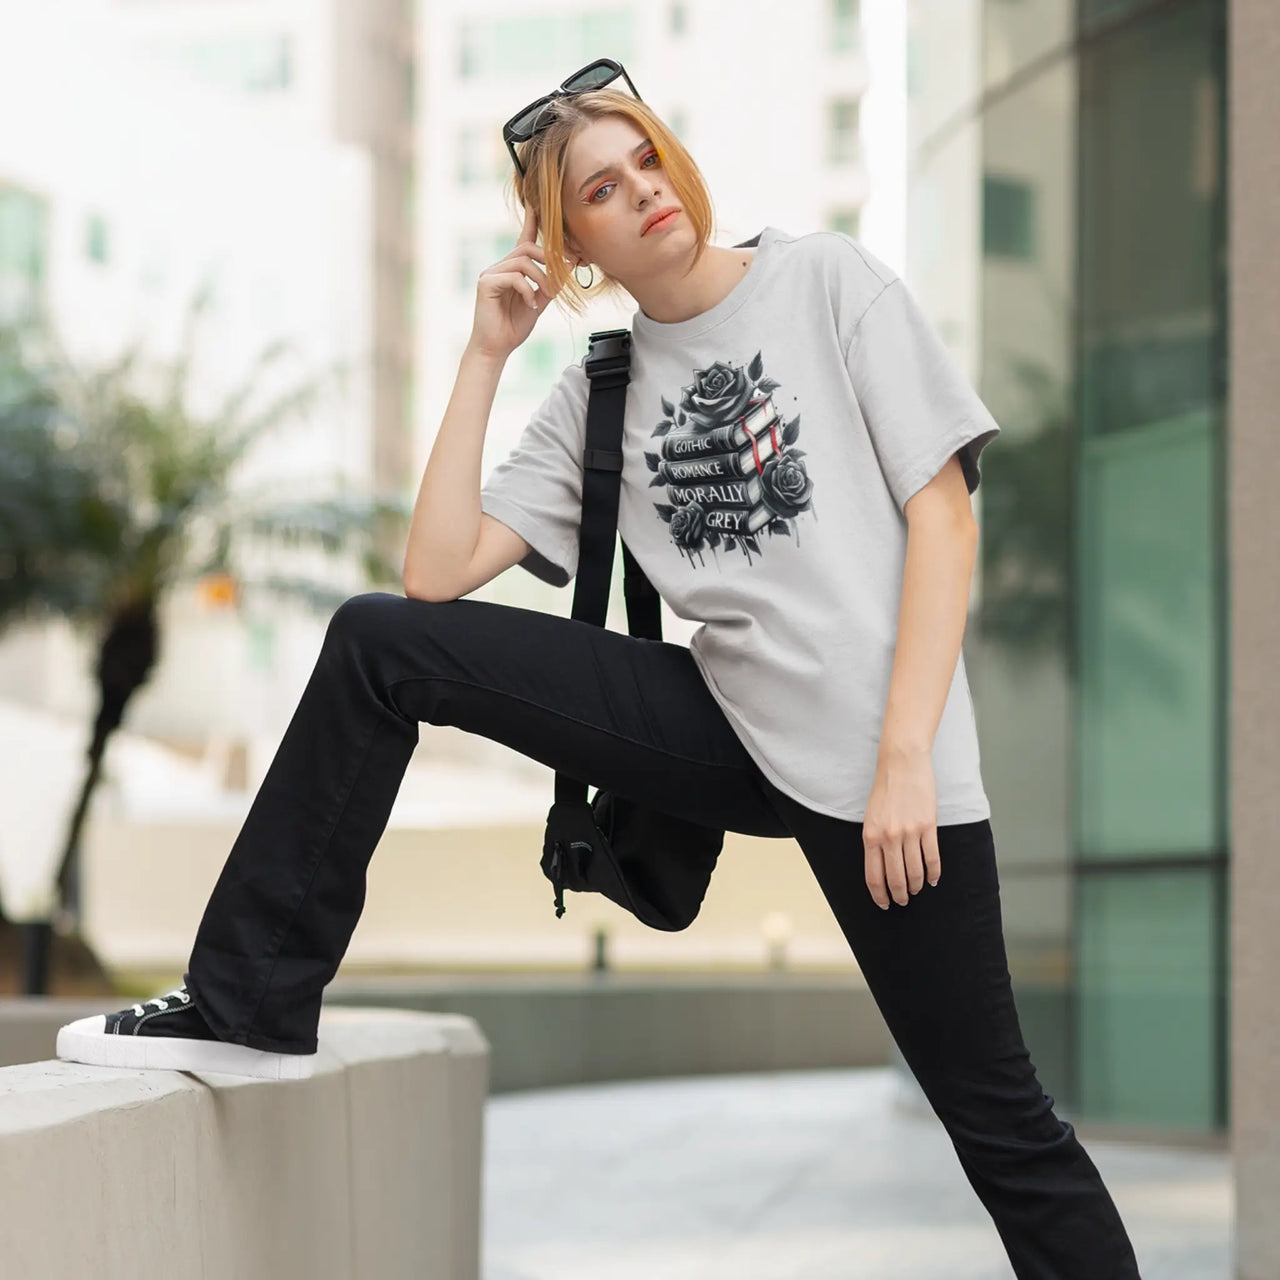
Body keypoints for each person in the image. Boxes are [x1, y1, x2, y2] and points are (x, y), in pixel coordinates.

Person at [57, 60, 1143, 1278]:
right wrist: (482, 352)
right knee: (378, 638)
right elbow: (434, 571)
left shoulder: (824, 281)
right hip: (723, 722)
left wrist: (903, 759)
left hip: (883, 758)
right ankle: (249, 1000)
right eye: (600, 191)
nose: (642, 193)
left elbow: (942, 520)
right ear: (569, 242)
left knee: (999, 1122)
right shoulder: (601, 390)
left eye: (644, 162)